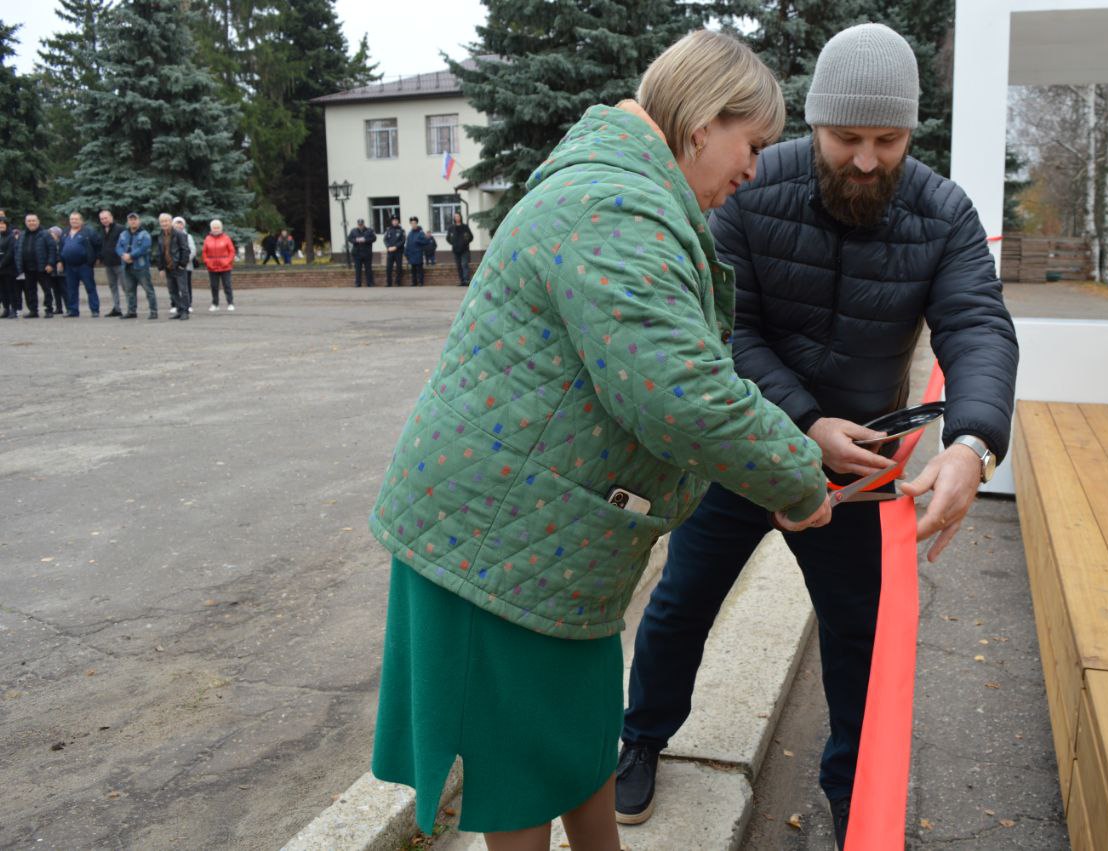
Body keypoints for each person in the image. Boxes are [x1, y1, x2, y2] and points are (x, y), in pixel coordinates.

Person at [367, 29, 833, 851]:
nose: (755, 169)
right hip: (497, 547)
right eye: (751, 144)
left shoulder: (623, 190)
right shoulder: (616, 205)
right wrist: (800, 475)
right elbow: (680, 392)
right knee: (522, 778)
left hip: (539, 542)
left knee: (579, 747)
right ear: (701, 123)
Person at [617, 23, 1019, 847]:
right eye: (847, 139)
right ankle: (642, 738)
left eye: (889, 139)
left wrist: (974, 444)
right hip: (743, 449)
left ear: (913, 131)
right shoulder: (753, 185)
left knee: (859, 641)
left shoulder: (943, 213)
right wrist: (804, 420)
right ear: (813, 122)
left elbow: (977, 327)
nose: (868, 160)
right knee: (680, 603)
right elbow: (726, 330)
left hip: (863, 472)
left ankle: (853, 797)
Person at [116, 212, 157, 319]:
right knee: (130, 291)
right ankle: (131, 311)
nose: (133, 221)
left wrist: (131, 256)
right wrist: (123, 255)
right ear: (128, 221)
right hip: (127, 266)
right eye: (130, 220)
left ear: (139, 221)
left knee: (148, 290)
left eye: (135, 219)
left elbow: (144, 248)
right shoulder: (123, 234)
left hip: (141, 267)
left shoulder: (145, 234)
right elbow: (118, 247)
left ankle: (153, 311)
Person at [60, 212, 100, 318]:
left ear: (81, 220)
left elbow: (98, 245)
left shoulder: (89, 231)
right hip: (69, 266)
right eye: (72, 219)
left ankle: (95, 310)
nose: (74, 221)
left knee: (90, 288)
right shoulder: (65, 232)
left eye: (76, 219)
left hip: (84, 265)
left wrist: (95, 259)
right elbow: (61, 247)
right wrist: (60, 261)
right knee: (71, 289)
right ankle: (73, 310)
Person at [15, 214, 56, 318]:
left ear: (38, 221)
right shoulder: (22, 235)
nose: (31, 223)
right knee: (30, 290)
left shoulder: (45, 234)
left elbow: (52, 249)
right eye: (29, 221)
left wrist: (50, 263)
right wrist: (19, 266)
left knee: (46, 289)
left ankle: (49, 310)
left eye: (33, 221)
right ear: (26, 222)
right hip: (27, 268)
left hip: (42, 267)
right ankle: (33, 310)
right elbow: (18, 250)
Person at [155, 213, 191, 320]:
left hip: (178, 267)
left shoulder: (179, 234)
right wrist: (161, 268)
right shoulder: (161, 235)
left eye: (166, 221)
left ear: (171, 222)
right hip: (168, 267)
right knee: (173, 291)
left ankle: (185, 311)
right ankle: (179, 310)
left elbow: (185, 250)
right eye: (162, 221)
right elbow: (160, 252)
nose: (164, 223)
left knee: (183, 290)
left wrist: (182, 265)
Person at [202, 219, 236, 312]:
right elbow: (204, 252)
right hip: (212, 267)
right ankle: (215, 304)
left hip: (225, 267)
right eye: (214, 227)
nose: (216, 229)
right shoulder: (207, 238)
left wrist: (227, 261)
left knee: (227, 285)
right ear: (211, 228)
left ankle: (230, 303)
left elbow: (232, 251)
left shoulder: (226, 238)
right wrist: (208, 262)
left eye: (217, 227)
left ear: (221, 228)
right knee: (214, 286)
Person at [98, 210, 126, 317]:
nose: (104, 220)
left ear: (111, 217)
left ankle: (130, 308)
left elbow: (125, 244)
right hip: (108, 263)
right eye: (102, 219)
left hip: (119, 262)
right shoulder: (102, 230)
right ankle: (117, 308)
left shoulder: (120, 229)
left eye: (106, 218)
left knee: (125, 286)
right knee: (113, 286)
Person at [174, 216, 197, 309]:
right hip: (174, 265)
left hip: (186, 266)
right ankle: (175, 304)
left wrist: (184, 262)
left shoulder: (188, 236)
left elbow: (193, 250)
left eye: (181, 223)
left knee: (186, 286)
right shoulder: (171, 235)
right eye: (177, 223)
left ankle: (188, 304)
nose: (179, 225)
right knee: (174, 286)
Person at [444, 212, 473, 286]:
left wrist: (465, 242)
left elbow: (470, 237)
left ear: (460, 217)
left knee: (464, 264)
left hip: (464, 250)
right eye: (455, 216)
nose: (457, 218)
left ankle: (466, 280)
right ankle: (462, 281)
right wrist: (453, 243)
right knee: (459, 266)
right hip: (456, 250)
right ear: (454, 218)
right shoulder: (451, 228)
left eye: (458, 216)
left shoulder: (465, 227)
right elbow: (448, 238)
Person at [348, 218, 375, 287]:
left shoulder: (369, 230)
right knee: (358, 269)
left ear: (364, 224)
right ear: (357, 224)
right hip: (357, 253)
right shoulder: (353, 231)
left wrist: (365, 240)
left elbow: (374, 238)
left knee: (368, 269)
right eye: (359, 225)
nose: (360, 226)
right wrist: (356, 240)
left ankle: (369, 283)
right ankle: (358, 283)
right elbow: (349, 238)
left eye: (361, 224)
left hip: (367, 252)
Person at [404, 216, 430, 286]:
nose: (413, 225)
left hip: (418, 254)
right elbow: (408, 244)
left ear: (417, 223)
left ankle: (421, 282)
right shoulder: (410, 233)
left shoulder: (421, 233)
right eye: (412, 223)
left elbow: (426, 241)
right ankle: (414, 282)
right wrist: (406, 253)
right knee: (413, 270)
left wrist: (419, 241)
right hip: (411, 254)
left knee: (419, 270)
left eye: (414, 223)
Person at [48, 226, 68, 315]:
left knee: (64, 289)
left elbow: (63, 254)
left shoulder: (62, 243)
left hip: (61, 269)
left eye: (52, 234)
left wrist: (60, 261)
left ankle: (69, 307)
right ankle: (58, 308)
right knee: (55, 290)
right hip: (53, 270)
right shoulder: (49, 244)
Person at [0, 217, 16, 319]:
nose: (1, 226)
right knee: (2, 291)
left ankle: (13, 309)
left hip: (9, 268)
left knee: (11, 289)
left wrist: (1, 263)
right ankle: (6, 308)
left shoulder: (11, 237)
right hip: (0, 270)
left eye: (2, 224)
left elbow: (10, 253)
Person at [382, 216, 406, 286]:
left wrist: (396, 247)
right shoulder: (388, 230)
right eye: (393, 220)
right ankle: (389, 283)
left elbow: (403, 240)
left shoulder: (401, 230)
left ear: (398, 221)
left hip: (398, 252)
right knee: (389, 268)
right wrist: (388, 247)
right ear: (392, 222)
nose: (395, 222)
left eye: (396, 220)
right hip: (390, 252)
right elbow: (385, 239)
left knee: (399, 268)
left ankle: (398, 282)